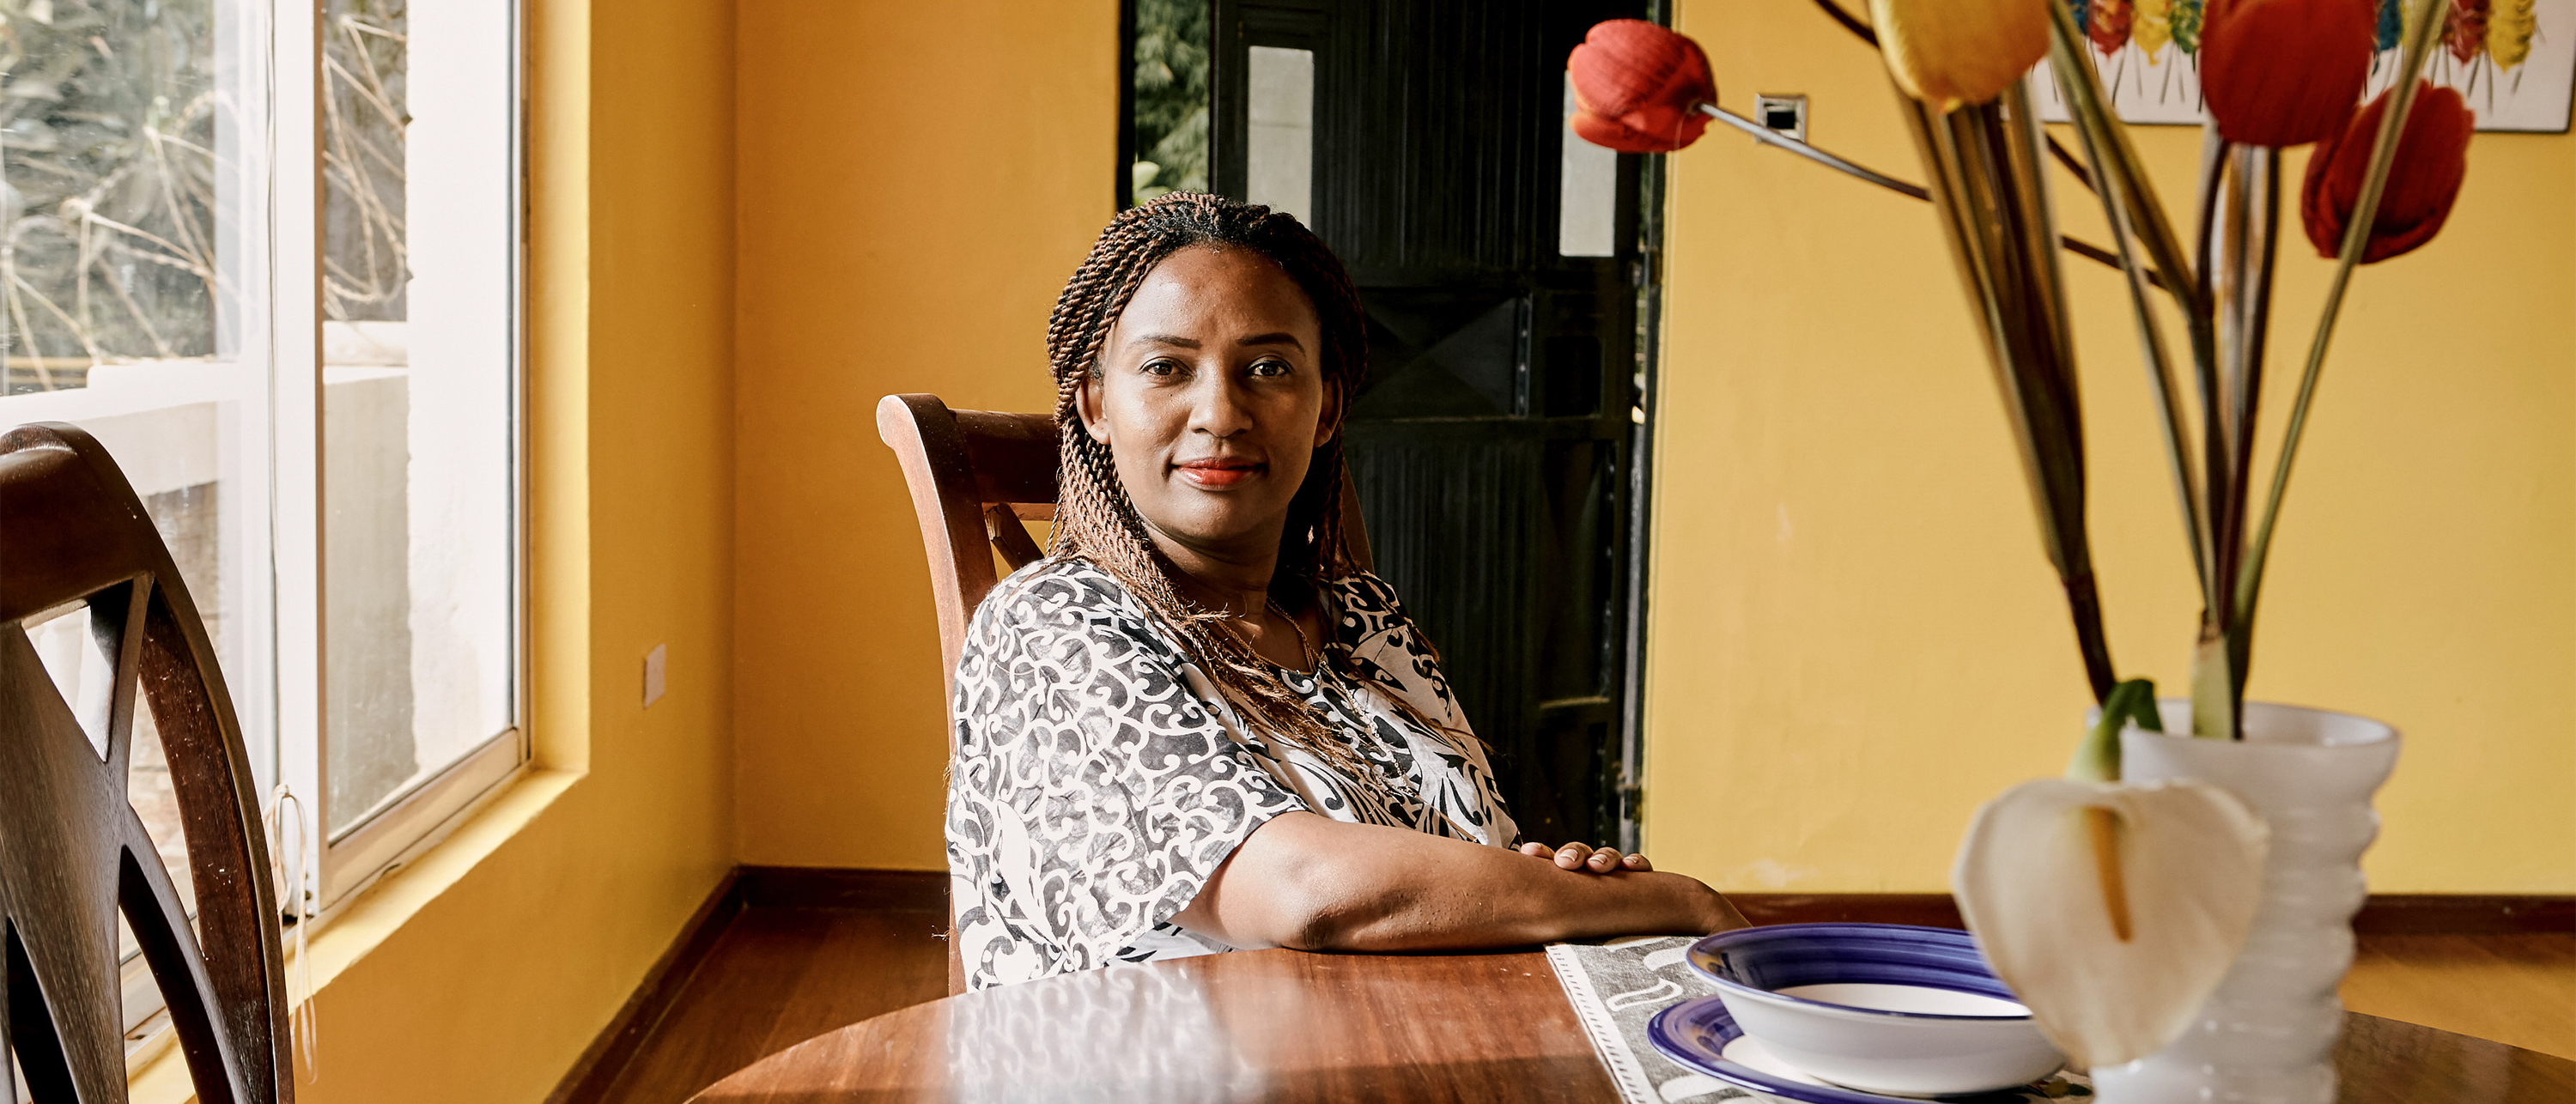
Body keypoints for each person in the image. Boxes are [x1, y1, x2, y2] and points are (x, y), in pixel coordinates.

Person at [945, 192, 1745, 990]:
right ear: (1095, 404)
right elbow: (1306, 892)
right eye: (1165, 368)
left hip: (1425, 1041)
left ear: (1326, 404)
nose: (1220, 413)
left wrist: (1550, 883)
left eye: (1268, 368)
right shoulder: (1050, 630)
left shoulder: (1362, 622)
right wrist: (1677, 902)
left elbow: (1481, 860)